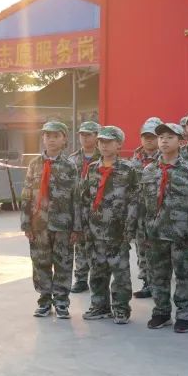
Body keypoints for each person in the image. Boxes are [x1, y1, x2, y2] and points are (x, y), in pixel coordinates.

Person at [136, 122, 188, 333]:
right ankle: (161, 312)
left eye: (169, 137)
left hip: (181, 233)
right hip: (155, 233)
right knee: (158, 275)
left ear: (181, 142)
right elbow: (143, 204)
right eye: (161, 137)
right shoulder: (149, 170)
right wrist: (142, 233)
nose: (164, 141)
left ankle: (184, 315)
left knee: (184, 276)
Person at [76, 126, 138, 324]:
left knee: (120, 273)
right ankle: (99, 306)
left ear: (119, 144)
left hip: (117, 231)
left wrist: (129, 230)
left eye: (109, 142)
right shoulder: (93, 169)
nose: (103, 145)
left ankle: (121, 309)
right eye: (101, 141)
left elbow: (135, 201)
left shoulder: (128, 170)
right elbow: (85, 199)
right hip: (94, 231)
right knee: (97, 271)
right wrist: (84, 226)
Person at [21, 121, 77, 319]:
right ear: (43, 139)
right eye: (47, 136)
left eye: (56, 136)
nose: (51, 139)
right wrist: (26, 223)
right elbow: (27, 194)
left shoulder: (70, 166)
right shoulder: (34, 164)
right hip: (38, 224)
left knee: (63, 262)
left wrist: (76, 228)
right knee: (40, 262)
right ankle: (44, 300)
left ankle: (62, 301)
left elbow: (76, 198)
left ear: (64, 140)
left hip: (63, 224)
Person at [70, 121, 103, 295]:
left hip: (98, 208)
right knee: (80, 245)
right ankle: (81, 278)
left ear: (97, 136)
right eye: (82, 134)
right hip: (78, 208)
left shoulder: (104, 157)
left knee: (98, 244)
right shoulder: (73, 159)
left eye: (89, 134)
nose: (85, 137)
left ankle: (97, 279)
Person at [131, 117, 162, 299]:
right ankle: (147, 282)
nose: (149, 140)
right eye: (145, 136)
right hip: (140, 212)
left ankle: (159, 283)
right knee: (141, 248)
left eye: (152, 136)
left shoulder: (167, 158)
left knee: (159, 249)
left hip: (159, 212)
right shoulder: (134, 159)